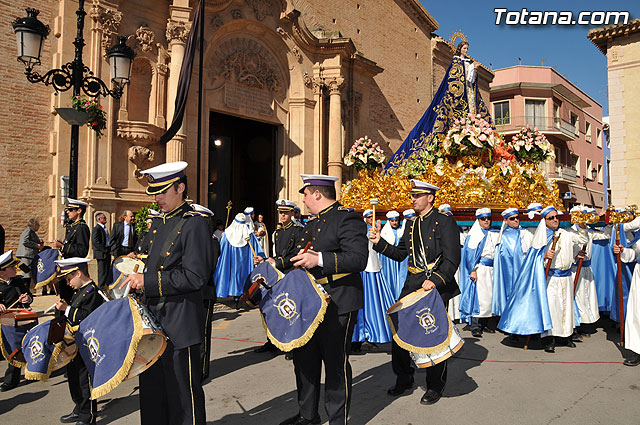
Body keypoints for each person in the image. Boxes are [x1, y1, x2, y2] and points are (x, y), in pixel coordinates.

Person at [122, 161, 212, 425]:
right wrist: (135, 263)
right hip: (152, 325)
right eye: (155, 192)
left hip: (180, 324)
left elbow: (195, 277)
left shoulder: (194, 225)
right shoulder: (158, 223)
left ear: (180, 188)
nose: (157, 198)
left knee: (183, 397)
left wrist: (147, 280)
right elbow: (153, 261)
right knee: (152, 395)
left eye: (162, 191)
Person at [279, 174, 368, 425]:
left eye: (305, 194)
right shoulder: (310, 223)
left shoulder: (347, 218)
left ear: (317, 194)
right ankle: (308, 415)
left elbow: (358, 259)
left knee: (335, 363)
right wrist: (276, 263)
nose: (304, 200)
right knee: (304, 360)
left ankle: (337, 419)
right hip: (309, 303)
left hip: (339, 302)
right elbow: (300, 255)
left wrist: (320, 260)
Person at [370, 179, 461, 405]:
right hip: (412, 284)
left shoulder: (444, 222)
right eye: (412, 195)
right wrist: (378, 241)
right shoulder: (410, 224)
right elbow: (400, 254)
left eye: (417, 195)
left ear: (430, 197)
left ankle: (435, 385)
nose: (412, 199)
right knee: (400, 332)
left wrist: (436, 280)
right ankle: (404, 378)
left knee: (433, 335)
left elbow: (452, 259)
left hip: (434, 287)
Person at [384, 40, 492, 172]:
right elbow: (454, 81)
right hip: (457, 102)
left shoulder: (468, 63)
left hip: (469, 101)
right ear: (459, 49)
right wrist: (471, 69)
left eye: (467, 48)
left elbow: (470, 81)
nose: (466, 51)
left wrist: (473, 69)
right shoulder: (456, 63)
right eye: (464, 48)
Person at [55, 257, 104, 425]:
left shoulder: (93, 292)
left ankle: (87, 416)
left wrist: (66, 309)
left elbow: (86, 317)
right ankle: (79, 407)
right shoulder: (79, 291)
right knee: (74, 378)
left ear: (78, 273)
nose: (68, 283)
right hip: (74, 343)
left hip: (85, 344)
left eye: (69, 279)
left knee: (85, 382)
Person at [255, 199, 305, 357]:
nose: (282, 215)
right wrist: (264, 261)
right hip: (278, 275)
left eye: (286, 212)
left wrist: (277, 262)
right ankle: (272, 341)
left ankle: (292, 345)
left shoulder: (298, 231)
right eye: (280, 212)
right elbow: (276, 255)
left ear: (292, 213)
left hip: (291, 273)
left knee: (290, 310)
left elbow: (297, 254)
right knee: (273, 308)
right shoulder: (277, 233)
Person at [352, 209, 395, 352]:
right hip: (364, 268)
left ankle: (372, 334)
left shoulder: (374, 230)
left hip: (373, 266)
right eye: (369, 217)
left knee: (374, 302)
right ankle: (360, 336)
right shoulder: (359, 229)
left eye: (372, 217)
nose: (371, 219)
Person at [492, 208, 533, 344]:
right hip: (508, 274)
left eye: (517, 217)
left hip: (524, 271)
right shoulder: (502, 237)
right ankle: (512, 330)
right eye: (512, 218)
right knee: (511, 299)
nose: (516, 220)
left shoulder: (525, 233)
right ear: (506, 220)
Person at [189, 203, 219, 382]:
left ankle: (202, 369)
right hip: (193, 293)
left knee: (203, 334)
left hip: (205, 292)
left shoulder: (212, 242)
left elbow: (208, 268)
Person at [459, 208, 499, 337]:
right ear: (478, 220)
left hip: (492, 269)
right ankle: (475, 325)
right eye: (483, 219)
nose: (486, 221)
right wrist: (473, 270)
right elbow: (470, 256)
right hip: (480, 269)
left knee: (490, 297)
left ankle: (486, 323)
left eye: (488, 218)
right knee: (480, 298)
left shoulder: (494, 233)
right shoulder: (475, 235)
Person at [0, 250, 33, 392]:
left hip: (18, 321)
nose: (15, 269)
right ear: (2, 272)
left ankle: (12, 380)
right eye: (11, 268)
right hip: (2, 324)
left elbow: (29, 295)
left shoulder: (18, 281)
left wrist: (28, 299)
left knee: (17, 349)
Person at [215, 213, 265, 299]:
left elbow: (221, 249)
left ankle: (235, 294)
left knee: (233, 275)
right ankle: (241, 294)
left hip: (232, 262)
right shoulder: (249, 234)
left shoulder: (227, 234)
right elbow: (257, 249)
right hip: (244, 263)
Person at [379, 210, 408, 300]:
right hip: (390, 260)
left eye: (396, 220)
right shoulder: (385, 232)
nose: (395, 223)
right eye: (392, 221)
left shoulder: (401, 230)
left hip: (401, 259)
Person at [16, 218, 43, 287]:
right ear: (34, 225)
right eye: (38, 225)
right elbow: (25, 241)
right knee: (26, 273)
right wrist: (36, 245)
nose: (38, 227)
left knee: (29, 273)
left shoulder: (31, 232)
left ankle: (27, 290)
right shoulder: (28, 231)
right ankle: (26, 290)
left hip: (30, 255)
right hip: (27, 255)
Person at [91, 212, 111, 289]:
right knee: (102, 272)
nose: (106, 219)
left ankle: (105, 286)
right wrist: (104, 249)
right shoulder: (97, 228)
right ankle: (101, 287)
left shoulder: (104, 228)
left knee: (106, 271)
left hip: (107, 252)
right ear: (99, 219)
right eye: (104, 218)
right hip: (101, 253)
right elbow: (95, 241)